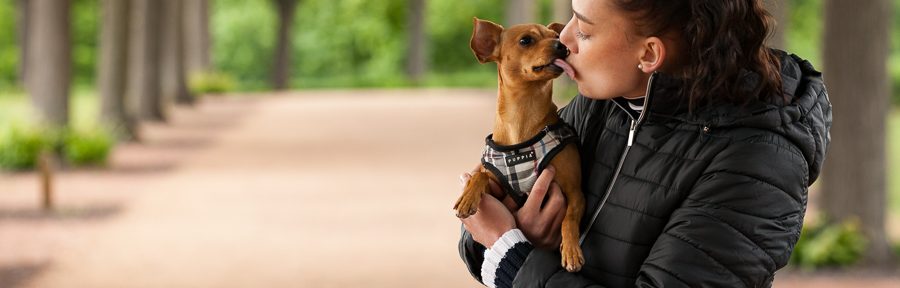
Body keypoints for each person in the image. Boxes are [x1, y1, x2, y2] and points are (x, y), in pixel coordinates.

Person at [457, 0, 832, 287]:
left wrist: (511, 251)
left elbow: (503, 242)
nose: (563, 41)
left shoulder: (755, 162)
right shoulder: (604, 102)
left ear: (649, 54)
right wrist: (506, 233)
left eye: (583, 31)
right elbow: (486, 227)